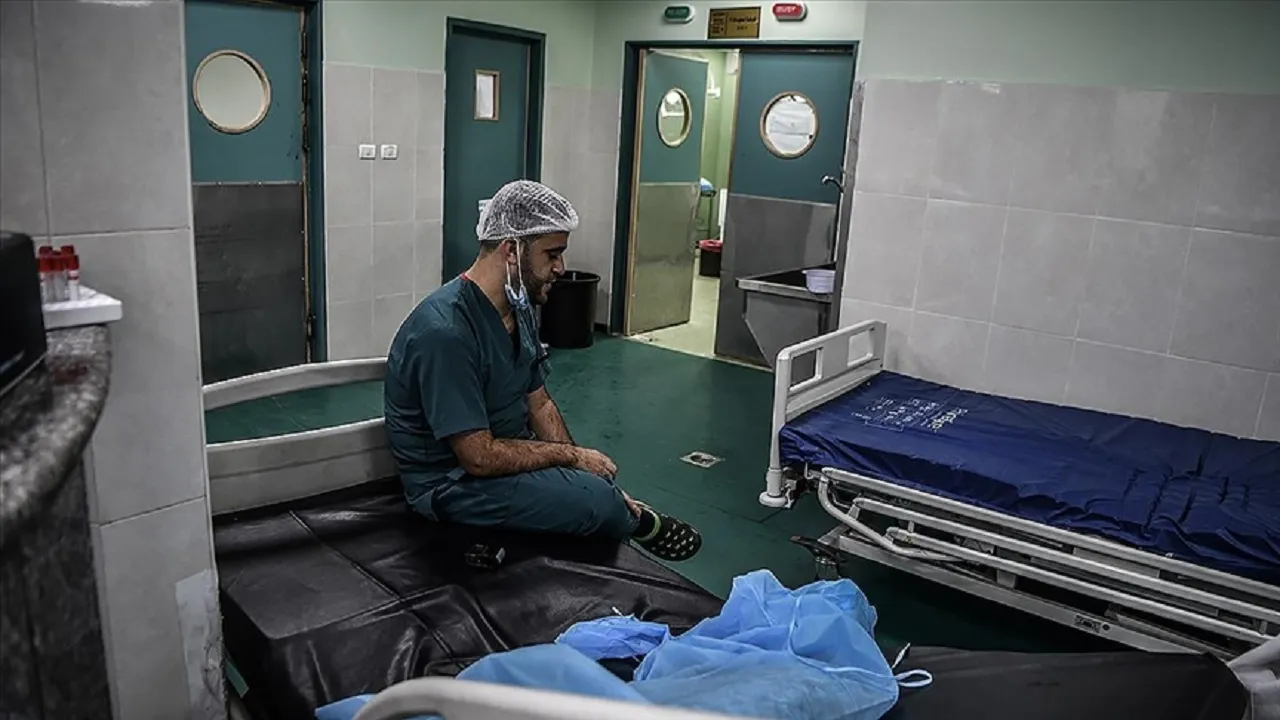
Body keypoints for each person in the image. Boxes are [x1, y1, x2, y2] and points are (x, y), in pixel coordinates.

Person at [383, 179, 701, 562]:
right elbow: (478, 457)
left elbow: (540, 404)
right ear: (511, 250)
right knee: (599, 504)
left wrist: (580, 467)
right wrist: (570, 461)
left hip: (508, 457)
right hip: (452, 483)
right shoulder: (445, 332)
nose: (560, 268)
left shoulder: (518, 310)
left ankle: (611, 505)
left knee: (598, 483)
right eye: (552, 254)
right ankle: (636, 520)